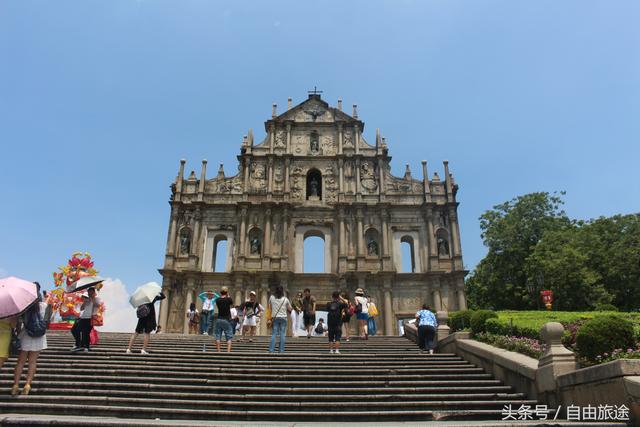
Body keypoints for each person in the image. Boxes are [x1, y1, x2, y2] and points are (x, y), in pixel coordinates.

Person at [12, 283, 47, 396]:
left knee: (21, 362)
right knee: (32, 362)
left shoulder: (23, 305)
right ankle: (27, 384)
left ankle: (16, 385)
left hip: (26, 334)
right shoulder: (42, 305)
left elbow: (18, 321)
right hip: (38, 336)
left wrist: (17, 332)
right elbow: (46, 318)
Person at [71, 287, 102, 352]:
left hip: (90, 318)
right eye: (88, 293)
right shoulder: (87, 299)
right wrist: (85, 302)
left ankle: (86, 347)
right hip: (83, 317)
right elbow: (81, 308)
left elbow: (98, 305)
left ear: (94, 293)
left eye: (91, 293)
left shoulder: (97, 299)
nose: (89, 294)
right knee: (75, 330)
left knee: (86, 333)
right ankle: (79, 344)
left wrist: (92, 299)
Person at [268, 285, 292, 353]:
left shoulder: (271, 298)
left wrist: (269, 318)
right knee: (282, 334)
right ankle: (281, 350)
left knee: (274, 334)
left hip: (275, 318)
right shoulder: (285, 299)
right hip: (283, 318)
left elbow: (269, 308)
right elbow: (290, 309)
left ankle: (271, 350)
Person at [214, 287, 234, 353]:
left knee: (218, 336)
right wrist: (228, 296)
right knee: (229, 335)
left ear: (220, 292)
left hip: (219, 319)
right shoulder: (229, 299)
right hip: (226, 319)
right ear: (227, 292)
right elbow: (231, 303)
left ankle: (219, 351)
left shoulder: (217, 300)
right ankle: (228, 351)